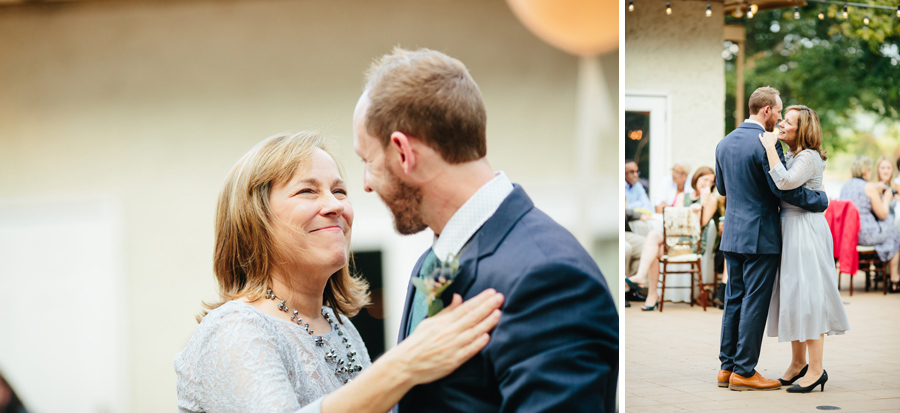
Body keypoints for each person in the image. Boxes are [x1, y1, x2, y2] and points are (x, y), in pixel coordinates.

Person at [353, 47, 618, 412]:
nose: (365, 183)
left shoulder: (550, 278)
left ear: (403, 153)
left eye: (367, 161)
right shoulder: (432, 262)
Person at [174, 132, 505, 413]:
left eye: (340, 191)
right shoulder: (235, 329)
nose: (336, 206)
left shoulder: (341, 327)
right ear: (254, 218)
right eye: (308, 191)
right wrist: (404, 364)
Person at [714, 86, 830, 391]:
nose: (779, 118)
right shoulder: (766, 144)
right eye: (778, 111)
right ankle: (745, 371)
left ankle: (726, 368)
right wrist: (820, 200)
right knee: (754, 302)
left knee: (733, 301)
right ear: (766, 110)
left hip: (733, 235)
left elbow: (722, 189)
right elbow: (783, 189)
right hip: (761, 236)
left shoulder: (723, 143)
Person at [758, 105, 850, 393]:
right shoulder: (792, 154)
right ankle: (798, 363)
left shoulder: (808, 157)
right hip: (789, 229)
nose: (782, 124)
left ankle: (816, 368)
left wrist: (770, 146)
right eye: (782, 119)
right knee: (793, 295)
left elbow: (785, 182)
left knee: (809, 296)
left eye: (788, 121)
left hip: (806, 230)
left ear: (803, 130)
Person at [626, 166, 719, 311]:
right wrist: (690, 210)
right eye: (705, 179)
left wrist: (702, 203)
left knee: (654, 250)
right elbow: (673, 222)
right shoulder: (683, 196)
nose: (708, 184)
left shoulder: (711, 200)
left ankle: (651, 294)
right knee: (652, 238)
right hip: (675, 238)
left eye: (711, 182)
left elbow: (700, 225)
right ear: (696, 178)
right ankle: (641, 277)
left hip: (693, 243)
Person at [840, 155, 900, 293]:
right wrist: (887, 198)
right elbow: (882, 214)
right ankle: (895, 279)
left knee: (891, 231)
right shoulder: (868, 187)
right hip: (866, 234)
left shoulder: (846, 186)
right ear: (866, 170)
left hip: (850, 233)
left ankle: (884, 273)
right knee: (893, 232)